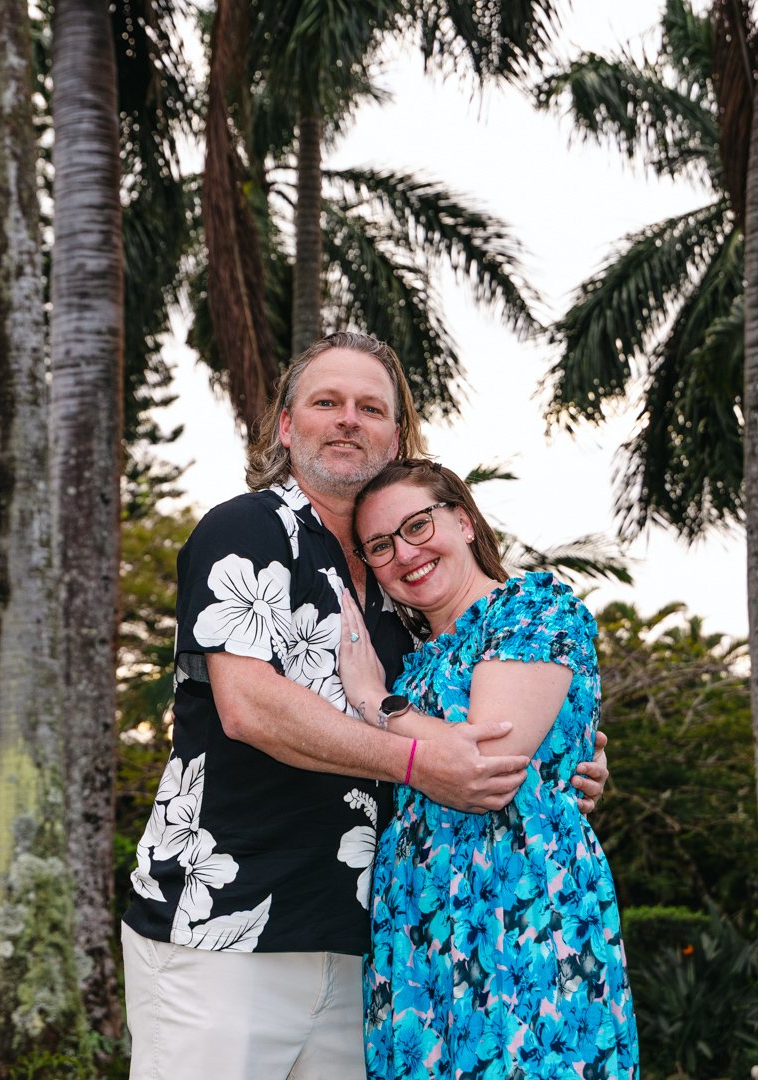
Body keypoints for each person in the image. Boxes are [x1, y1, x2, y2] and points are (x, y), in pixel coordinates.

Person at [120, 332, 607, 1080]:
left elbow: (479, 705)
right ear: (287, 426)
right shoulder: (246, 530)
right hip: (226, 928)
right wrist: (425, 762)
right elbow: (248, 706)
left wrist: (563, 759)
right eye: (326, 402)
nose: (348, 419)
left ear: (396, 435)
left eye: (369, 407)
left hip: (374, 939)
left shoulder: (399, 584)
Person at [338, 459, 639, 1079]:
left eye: (418, 526)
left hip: (520, 904)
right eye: (380, 545)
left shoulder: (533, 607)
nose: (404, 553)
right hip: (418, 919)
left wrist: (375, 702)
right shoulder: (415, 662)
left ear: (465, 522)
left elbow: (487, 764)